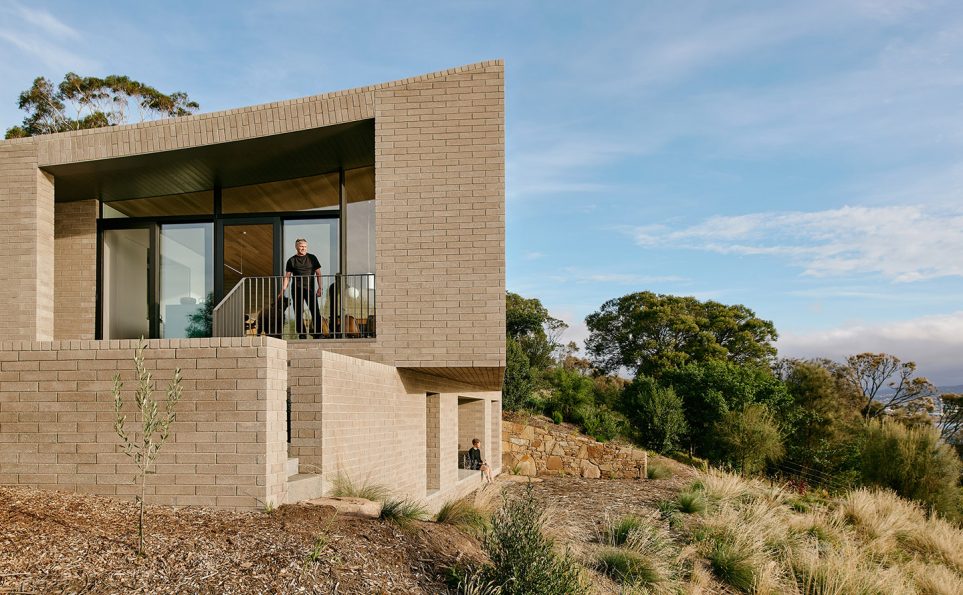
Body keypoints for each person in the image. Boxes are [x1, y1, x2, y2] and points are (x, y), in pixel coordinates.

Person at [280, 239, 323, 339]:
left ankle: (318, 333)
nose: (303, 248)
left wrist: (320, 288)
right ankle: (302, 333)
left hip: (310, 289)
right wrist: (282, 290)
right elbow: (287, 276)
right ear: (296, 247)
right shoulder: (291, 260)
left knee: (315, 310)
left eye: (305, 246)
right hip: (297, 289)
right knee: (298, 312)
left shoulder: (312, 258)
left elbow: (319, 274)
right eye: (301, 246)